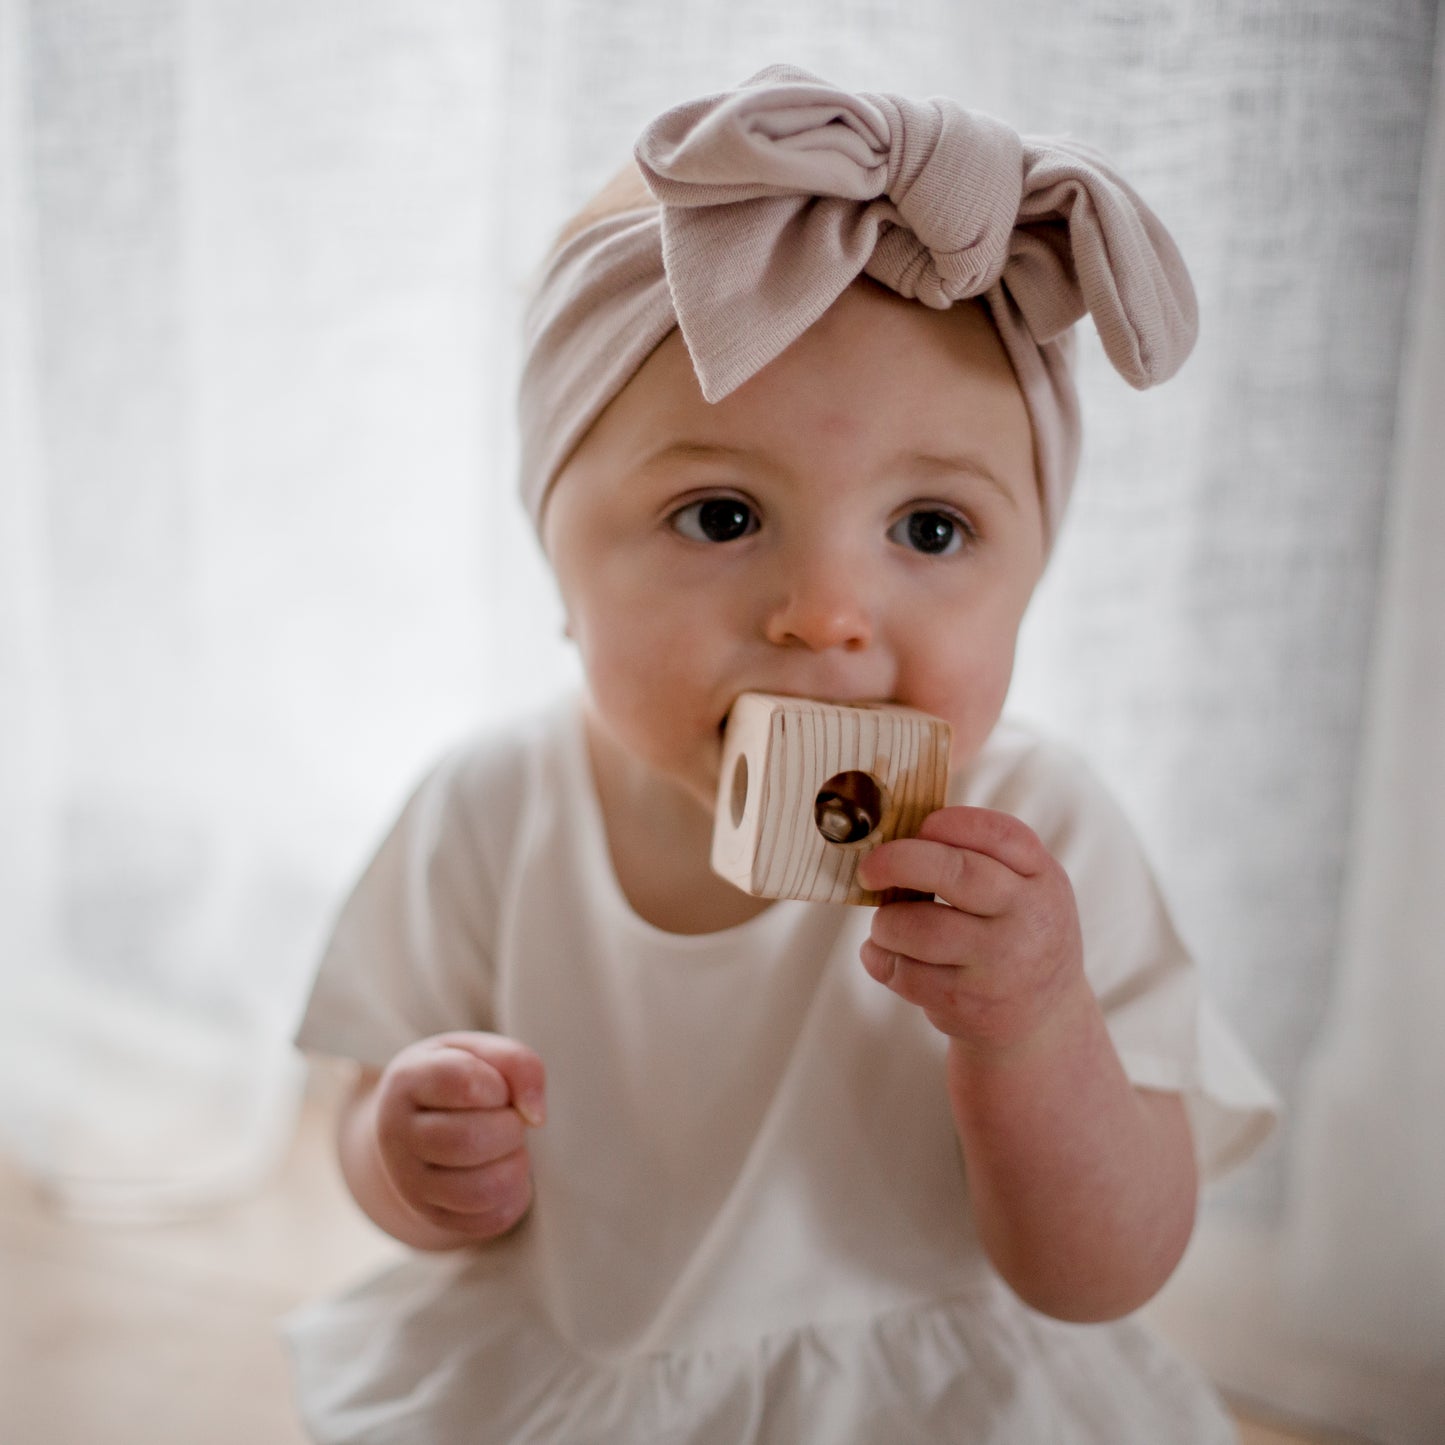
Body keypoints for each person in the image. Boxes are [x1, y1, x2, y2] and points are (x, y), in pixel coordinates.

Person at [284, 65, 1278, 1443]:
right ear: (559, 570)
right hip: (596, 1365)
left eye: (931, 529)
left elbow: (1101, 1273)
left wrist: (1036, 1025)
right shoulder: (492, 807)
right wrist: (409, 1154)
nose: (824, 614)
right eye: (719, 515)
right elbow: (360, 1110)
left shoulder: (1034, 836)